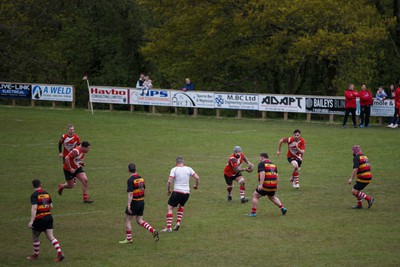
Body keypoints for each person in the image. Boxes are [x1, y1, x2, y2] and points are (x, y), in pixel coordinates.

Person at [119, 163, 159, 243]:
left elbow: (130, 193)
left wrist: (129, 205)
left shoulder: (130, 180)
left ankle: (129, 239)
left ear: (128, 170)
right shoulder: (141, 178)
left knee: (127, 219)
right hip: (141, 201)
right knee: (139, 220)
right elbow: (144, 189)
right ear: (136, 169)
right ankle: (153, 230)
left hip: (135, 202)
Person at [27, 179, 64, 262]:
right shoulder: (46, 193)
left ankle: (36, 255)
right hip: (49, 217)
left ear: (33, 186)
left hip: (40, 218)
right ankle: (60, 253)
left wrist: (31, 221)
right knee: (51, 237)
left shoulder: (34, 195)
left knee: (35, 236)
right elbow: (51, 206)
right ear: (41, 184)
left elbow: (34, 208)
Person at [161, 157, 199, 233]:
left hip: (177, 192)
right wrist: (196, 185)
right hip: (187, 193)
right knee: (181, 206)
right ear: (183, 163)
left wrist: (168, 190)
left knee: (170, 208)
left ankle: (168, 227)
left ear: (176, 163)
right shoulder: (189, 169)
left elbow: (169, 181)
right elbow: (197, 177)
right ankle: (178, 222)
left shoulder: (174, 169)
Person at [245, 153, 287, 217]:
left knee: (255, 195)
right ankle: (282, 208)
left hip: (266, 185)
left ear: (262, 157)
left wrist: (260, 185)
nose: (259, 159)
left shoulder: (261, 164)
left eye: (259, 158)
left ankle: (253, 213)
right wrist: (276, 185)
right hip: (273, 185)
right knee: (271, 196)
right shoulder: (273, 165)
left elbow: (262, 173)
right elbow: (276, 175)